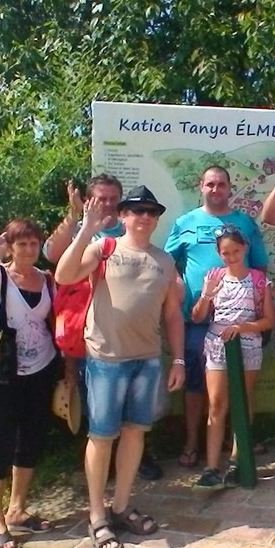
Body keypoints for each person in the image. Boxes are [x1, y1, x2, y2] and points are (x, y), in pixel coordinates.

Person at [55, 186, 185, 548]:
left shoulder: (165, 261)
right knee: (101, 436)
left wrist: (178, 360)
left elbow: (172, 315)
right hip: (106, 360)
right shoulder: (104, 248)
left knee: (135, 434)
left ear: (156, 219)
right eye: (137, 210)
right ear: (124, 216)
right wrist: (86, 228)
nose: (144, 216)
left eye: (151, 211)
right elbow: (64, 275)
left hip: (146, 360)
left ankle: (123, 505)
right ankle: (97, 515)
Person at [42, 176, 166, 481]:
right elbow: (52, 255)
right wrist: (77, 217)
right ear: (88, 200)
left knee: (133, 408)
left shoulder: (131, 229)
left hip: (129, 337)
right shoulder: (82, 230)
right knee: (97, 404)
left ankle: (136, 458)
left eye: (113, 198)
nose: (107, 204)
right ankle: (101, 464)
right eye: (101, 198)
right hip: (87, 330)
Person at [165, 166, 270, 469]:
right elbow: (166, 263)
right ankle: (192, 442)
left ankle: (238, 445)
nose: (215, 189)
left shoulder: (245, 223)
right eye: (210, 184)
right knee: (197, 386)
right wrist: (178, 285)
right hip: (198, 321)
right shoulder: (184, 223)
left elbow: (260, 266)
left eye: (221, 184)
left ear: (229, 187)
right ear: (201, 186)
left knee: (240, 389)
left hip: (241, 324)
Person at [0, 219, 59, 548]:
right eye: (22, 244)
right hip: (5, 373)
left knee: (31, 437)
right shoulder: (0, 275)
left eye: (34, 244)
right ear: (11, 246)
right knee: (0, 441)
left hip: (42, 368)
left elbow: (54, 320)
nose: (29, 250)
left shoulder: (46, 279)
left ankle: (18, 509)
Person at [190, 224, 275, 489]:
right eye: (225, 253)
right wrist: (206, 295)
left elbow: (268, 320)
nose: (231, 257)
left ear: (245, 248)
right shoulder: (213, 277)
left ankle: (239, 460)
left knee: (243, 400)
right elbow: (197, 316)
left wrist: (243, 328)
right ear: (219, 253)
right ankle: (211, 467)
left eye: (235, 251)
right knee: (216, 403)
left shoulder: (259, 281)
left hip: (248, 345)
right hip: (217, 345)